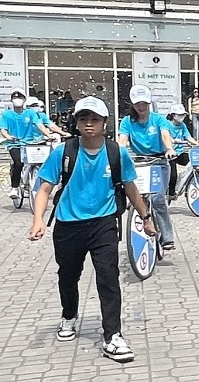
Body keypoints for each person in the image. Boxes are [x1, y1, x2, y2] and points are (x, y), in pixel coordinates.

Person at [28, 96, 154, 363]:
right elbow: (45, 188)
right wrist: (38, 219)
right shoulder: (63, 151)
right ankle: (69, 316)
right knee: (68, 275)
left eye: (94, 119)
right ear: (76, 123)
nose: (88, 124)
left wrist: (145, 216)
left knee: (108, 278)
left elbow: (130, 186)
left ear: (105, 123)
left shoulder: (115, 152)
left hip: (103, 224)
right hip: (68, 225)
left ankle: (113, 336)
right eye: (83, 119)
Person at [118, 85, 178, 250]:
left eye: (144, 103)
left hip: (158, 162)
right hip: (138, 162)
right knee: (137, 197)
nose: (141, 107)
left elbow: (165, 135)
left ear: (149, 103)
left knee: (158, 199)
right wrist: (118, 154)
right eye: (138, 104)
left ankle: (167, 237)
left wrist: (169, 149)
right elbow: (122, 141)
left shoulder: (158, 119)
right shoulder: (127, 121)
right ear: (133, 104)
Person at [0, 89, 52, 200]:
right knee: (18, 163)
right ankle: (14, 187)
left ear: (24, 99)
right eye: (15, 97)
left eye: (20, 97)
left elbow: (39, 125)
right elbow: (2, 129)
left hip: (30, 143)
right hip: (14, 144)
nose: (17, 100)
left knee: (41, 161)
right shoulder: (6, 114)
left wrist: (48, 134)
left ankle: (35, 184)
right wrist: (8, 136)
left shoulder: (31, 113)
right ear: (11, 100)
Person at [165, 104, 196, 197]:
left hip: (179, 153)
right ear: (173, 115)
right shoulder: (167, 124)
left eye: (183, 115)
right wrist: (175, 141)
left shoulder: (183, 125)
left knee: (193, 160)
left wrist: (196, 143)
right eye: (179, 115)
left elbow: (188, 137)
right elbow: (167, 137)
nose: (182, 117)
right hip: (170, 154)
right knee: (173, 175)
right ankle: (170, 193)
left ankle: (184, 180)